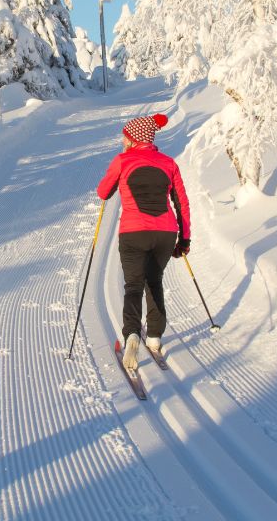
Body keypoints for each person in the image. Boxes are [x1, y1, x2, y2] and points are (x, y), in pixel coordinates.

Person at [96, 112, 191, 370]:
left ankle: (132, 335)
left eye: (125, 136)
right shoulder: (169, 163)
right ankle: (155, 337)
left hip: (133, 232)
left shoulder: (123, 160)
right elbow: (181, 202)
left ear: (132, 139)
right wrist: (184, 239)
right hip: (165, 233)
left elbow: (103, 191)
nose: (122, 140)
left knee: (134, 285)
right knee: (154, 281)